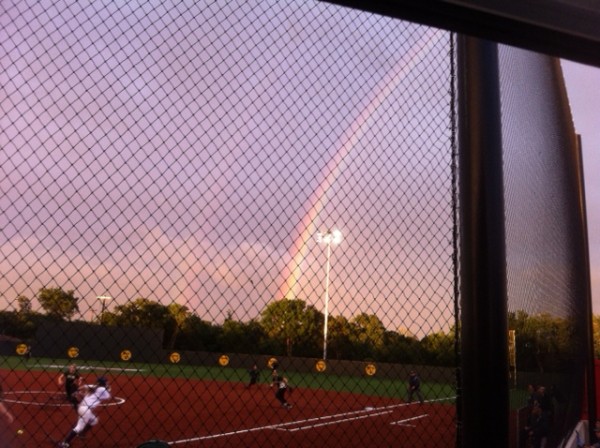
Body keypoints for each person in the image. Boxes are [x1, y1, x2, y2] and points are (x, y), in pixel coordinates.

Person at [58, 376, 111, 447]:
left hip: (82, 408)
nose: (107, 382)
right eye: (106, 381)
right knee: (79, 427)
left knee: (94, 420)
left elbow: (83, 387)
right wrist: (108, 389)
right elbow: (108, 397)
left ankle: (82, 434)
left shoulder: (94, 386)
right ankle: (65, 442)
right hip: (86, 410)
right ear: (103, 383)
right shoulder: (102, 389)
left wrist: (77, 391)